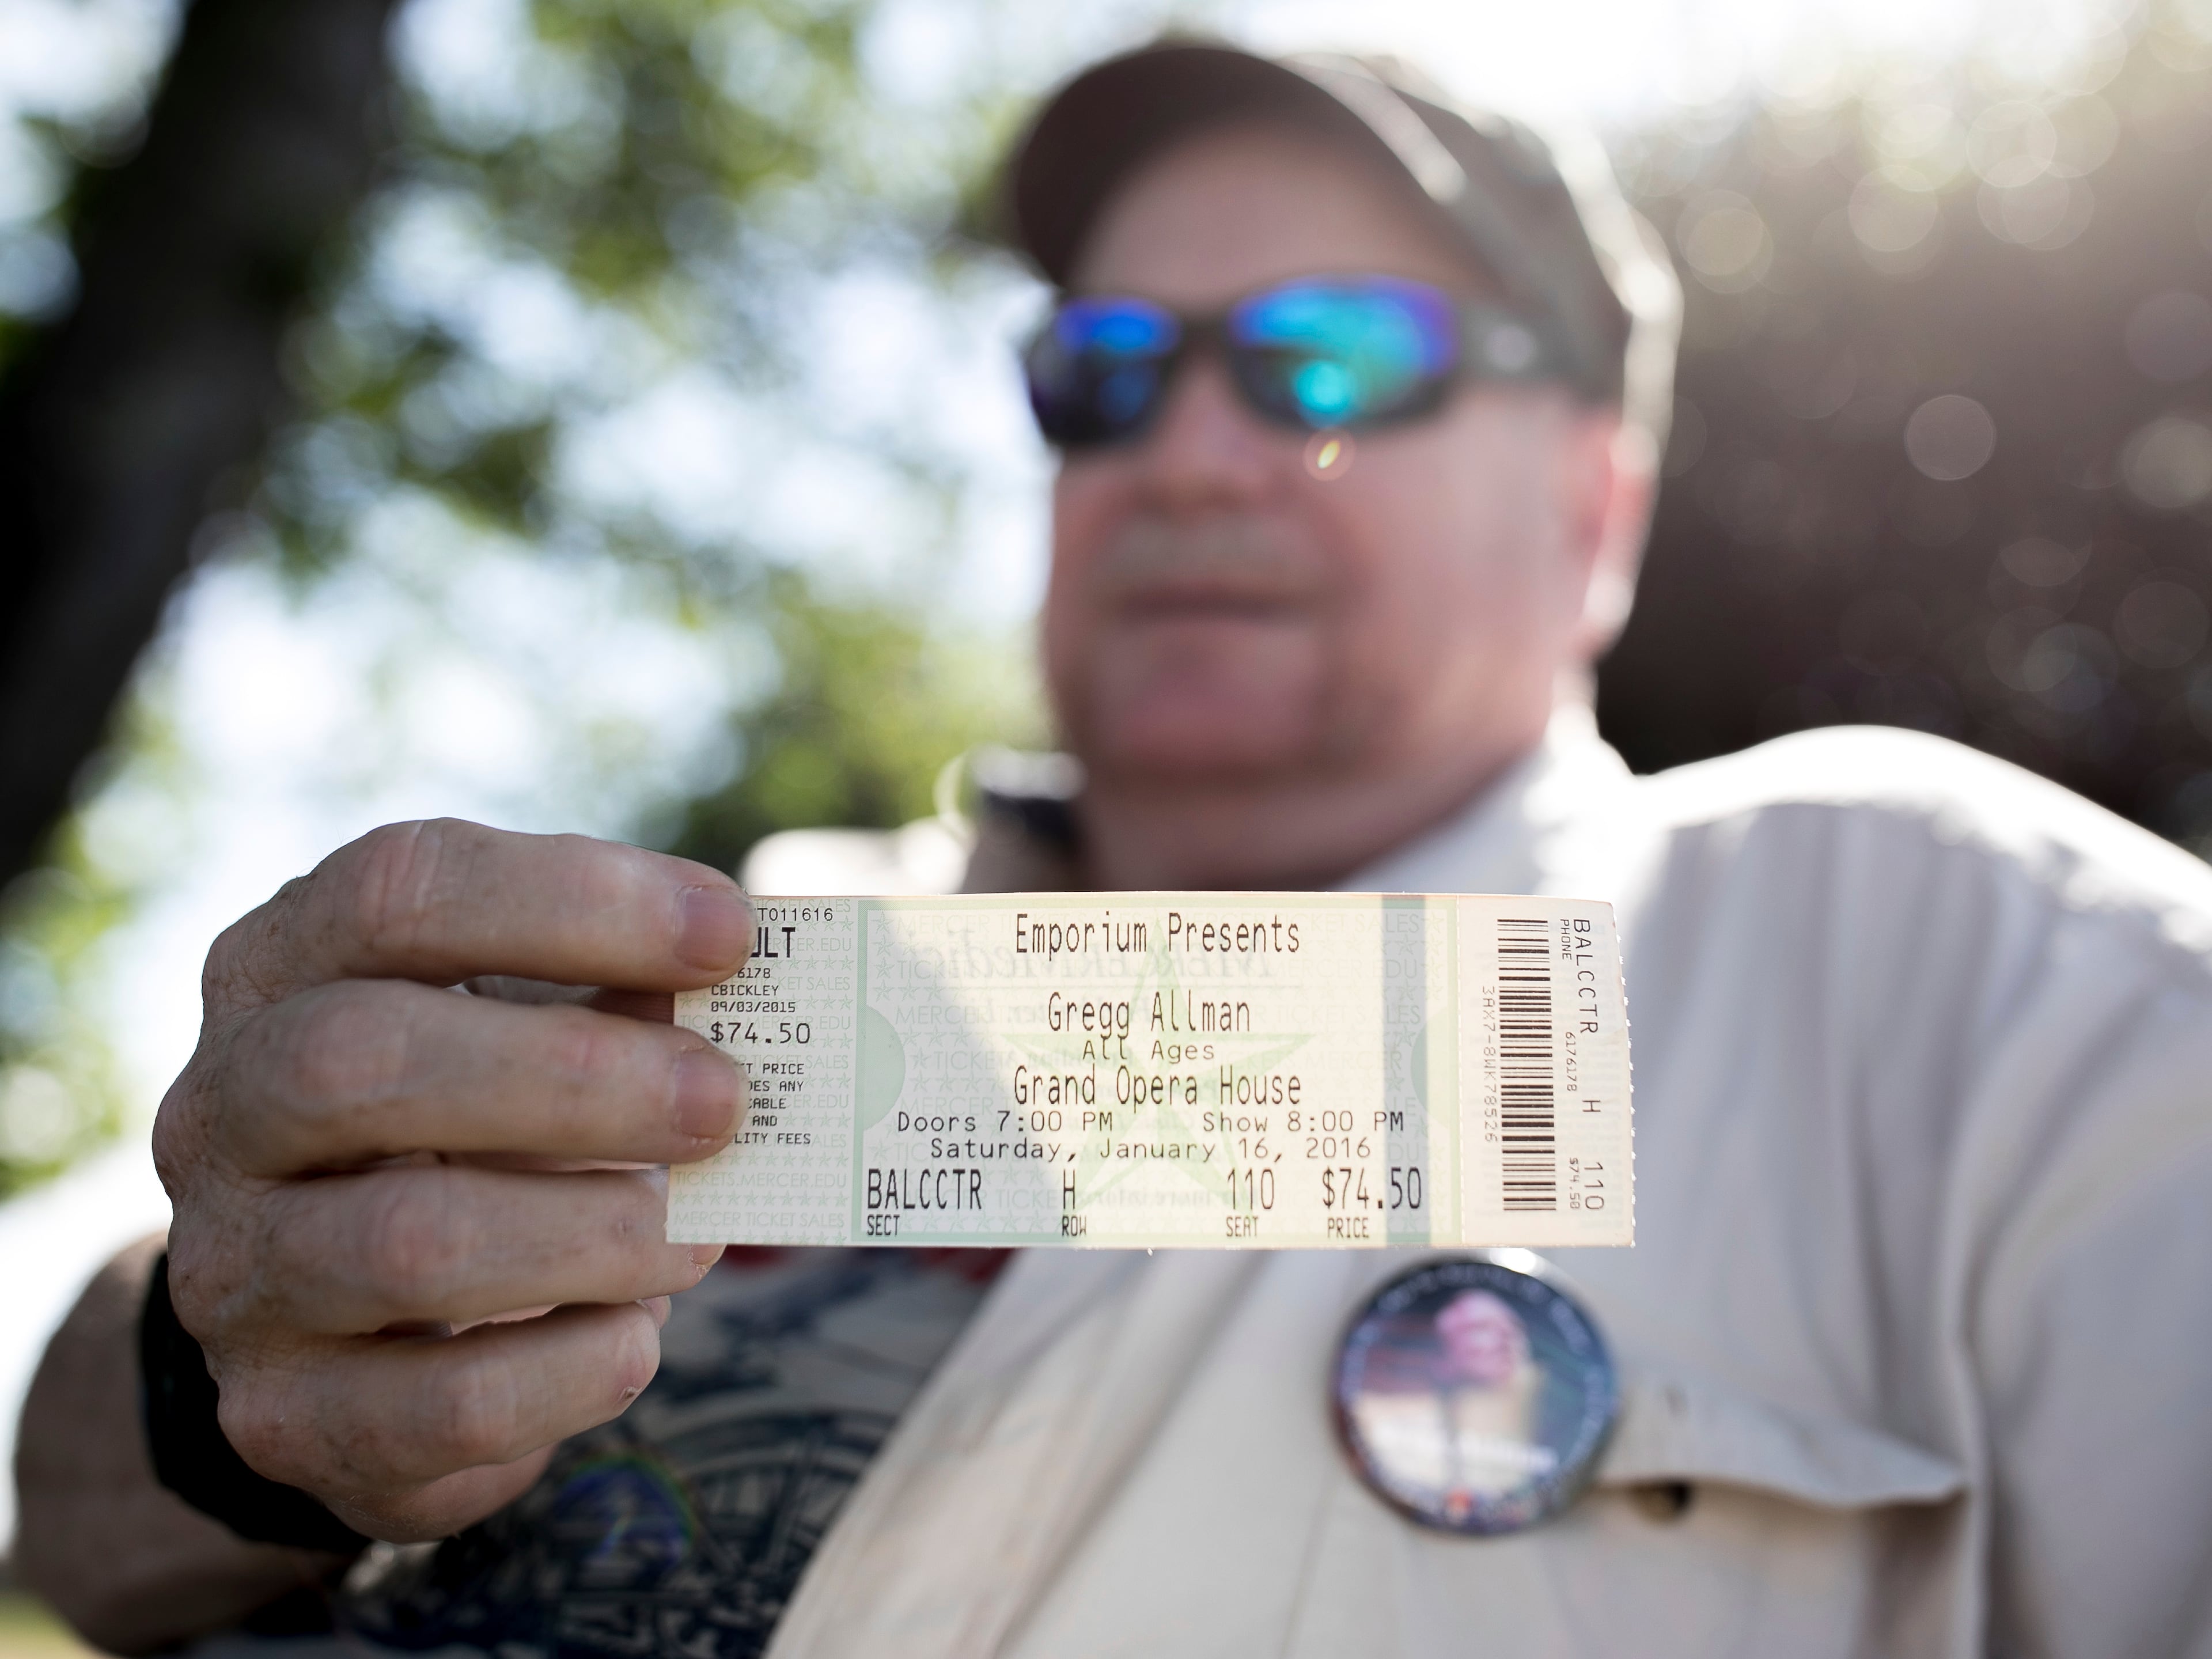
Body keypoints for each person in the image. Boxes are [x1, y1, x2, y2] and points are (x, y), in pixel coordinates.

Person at [17, 37, 2212, 1659]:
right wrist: (228, 1360)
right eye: (1109, 372)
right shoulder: (733, 957)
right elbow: (72, 1533)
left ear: (1593, 504)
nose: (1191, 456)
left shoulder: (1944, 965)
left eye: (1334, 363)